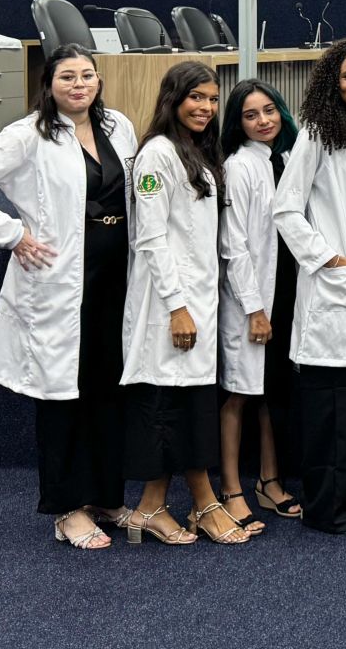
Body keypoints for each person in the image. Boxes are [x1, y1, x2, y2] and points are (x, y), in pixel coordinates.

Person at [0, 45, 139, 551]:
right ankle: (67, 509)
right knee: (61, 397)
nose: (79, 85)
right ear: (48, 84)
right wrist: (12, 234)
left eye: (87, 75)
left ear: (98, 80)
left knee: (107, 391)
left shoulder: (118, 126)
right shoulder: (27, 134)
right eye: (67, 76)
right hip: (59, 285)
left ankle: (106, 498)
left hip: (115, 282)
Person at [119, 61, 250, 546]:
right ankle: (197, 504)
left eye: (213, 99)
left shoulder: (195, 151)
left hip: (198, 301)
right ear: (173, 98)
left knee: (188, 405)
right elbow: (151, 239)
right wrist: (176, 306)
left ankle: (154, 507)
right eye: (197, 97)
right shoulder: (157, 155)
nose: (207, 107)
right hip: (168, 305)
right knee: (168, 406)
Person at [273, 38, 346, 535]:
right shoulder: (318, 130)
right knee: (328, 414)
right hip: (335, 285)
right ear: (332, 81)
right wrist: (326, 258)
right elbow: (285, 208)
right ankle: (327, 510)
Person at [216, 79, 302, 531]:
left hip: (286, 289)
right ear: (238, 123)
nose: (264, 121)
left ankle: (269, 481)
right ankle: (231, 489)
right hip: (251, 299)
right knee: (239, 393)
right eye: (251, 115)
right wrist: (253, 309)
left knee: (272, 392)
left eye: (269, 110)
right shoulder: (239, 166)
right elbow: (234, 246)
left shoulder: (284, 159)